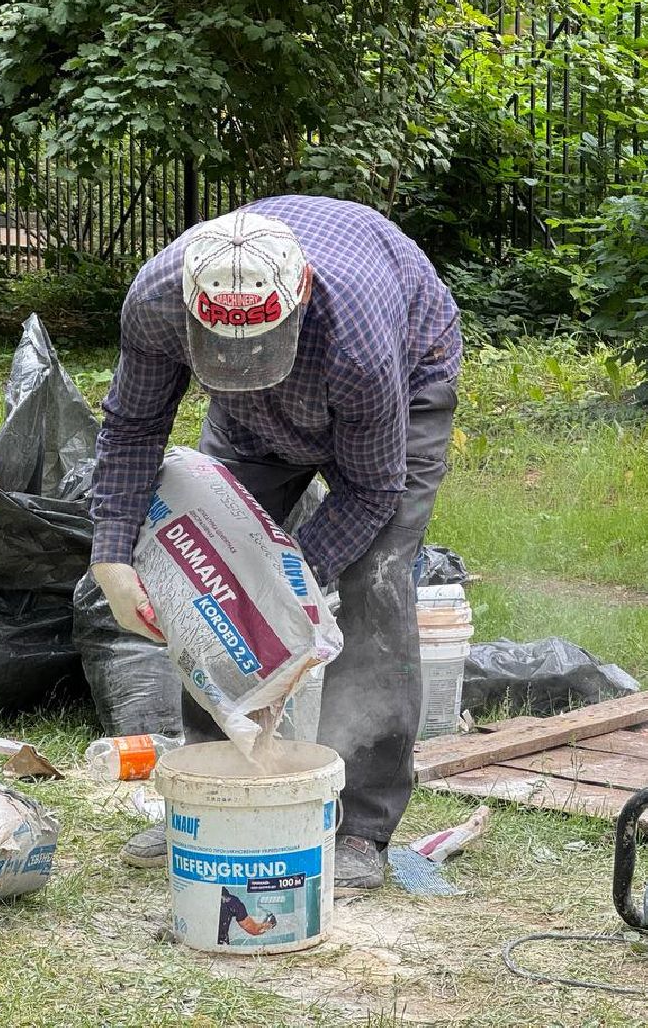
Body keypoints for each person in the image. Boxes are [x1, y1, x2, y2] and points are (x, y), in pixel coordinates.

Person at [89, 195, 461, 889]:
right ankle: (213, 789)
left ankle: (361, 827)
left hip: (402, 390)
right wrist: (111, 554)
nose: (241, 359)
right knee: (215, 587)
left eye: (257, 347)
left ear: (302, 295)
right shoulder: (159, 301)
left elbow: (373, 489)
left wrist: (292, 580)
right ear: (195, 310)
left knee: (374, 582)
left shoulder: (359, 336)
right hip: (250, 422)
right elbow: (134, 429)